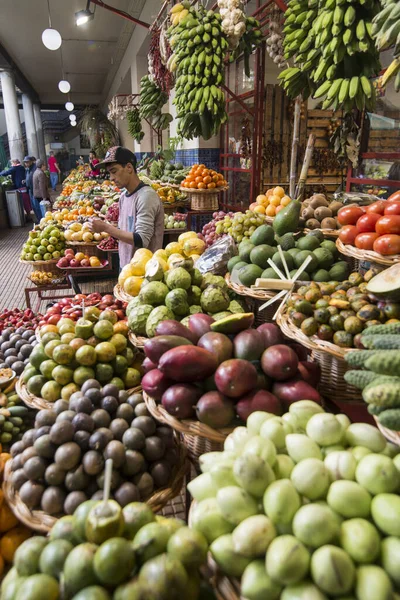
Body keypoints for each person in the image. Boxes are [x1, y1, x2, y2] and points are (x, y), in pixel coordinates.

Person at [87, 146, 164, 268]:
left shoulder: (146, 196)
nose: (111, 178)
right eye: (109, 173)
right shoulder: (123, 197)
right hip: (126, 267)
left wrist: (105, 227)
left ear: (129, 168)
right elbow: (124, 231)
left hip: (145, 271)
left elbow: (141, 239)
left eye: (114, 171)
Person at [24, 156, 40, 222]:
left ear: (31, 161)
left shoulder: (35, 168)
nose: (26, 163)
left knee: (37, 206)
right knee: (33, 207)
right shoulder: (28, 169)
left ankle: (40, 219)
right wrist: (25, 181)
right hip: (30, 190)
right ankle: (38, 219)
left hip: (35, 190)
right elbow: (28, 178)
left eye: (27, 162)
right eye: (25, 162)